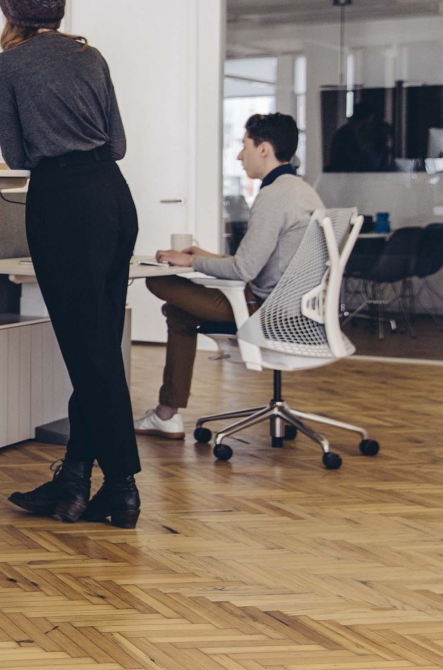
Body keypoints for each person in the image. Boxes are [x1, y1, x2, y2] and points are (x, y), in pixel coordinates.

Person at [0, 0, 141, 528]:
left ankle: (121, 485)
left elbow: (16, 155)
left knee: (89, 353)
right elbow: (117, 143)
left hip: (63, 203)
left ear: (11, 13)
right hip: (114, 198)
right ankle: (74, 480)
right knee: (96, 346)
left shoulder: (6, 65)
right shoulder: (90, 56)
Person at [137, 113, 326, 438]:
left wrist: (190, 261)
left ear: (263, 149)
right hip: (293, 308)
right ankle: (166, 415)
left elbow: (244, 270)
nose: (240, 155)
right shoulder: (301, 190)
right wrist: (205, 256)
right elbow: (260, 261)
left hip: (264, 311)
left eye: (244, 145)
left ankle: (166, 415)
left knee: (158, 280)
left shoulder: (274, 195)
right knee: (180, 313)